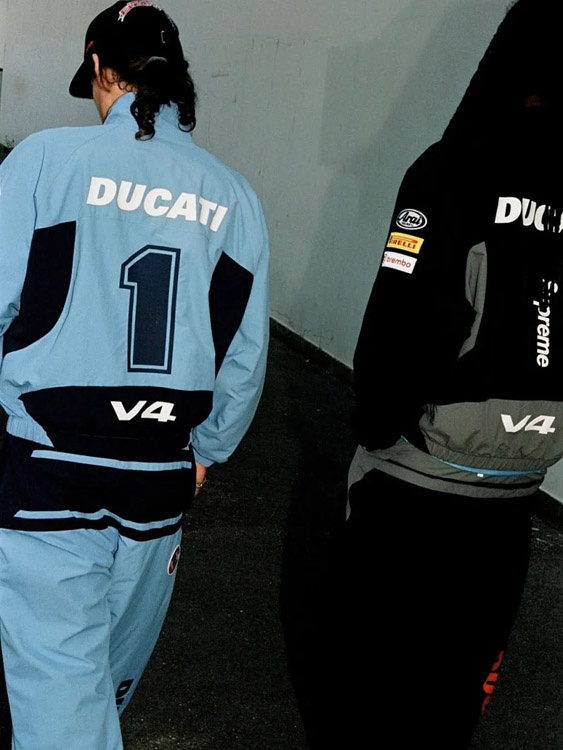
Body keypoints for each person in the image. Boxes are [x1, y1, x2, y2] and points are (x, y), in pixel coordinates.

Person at [0, 2, 270, 748]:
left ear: (98, 66)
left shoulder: (46, 159)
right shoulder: (233, 196)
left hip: (51, 467)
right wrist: (208, 449)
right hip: (159, 478)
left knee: (60, 695)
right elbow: (243, 354)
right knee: (107, 682)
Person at [341, 0, 563, 746]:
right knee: (453, 706)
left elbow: (400, 313)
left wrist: (376, 425)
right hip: (517, 490)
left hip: (417, 483)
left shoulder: (449, 167)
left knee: (371, 695)